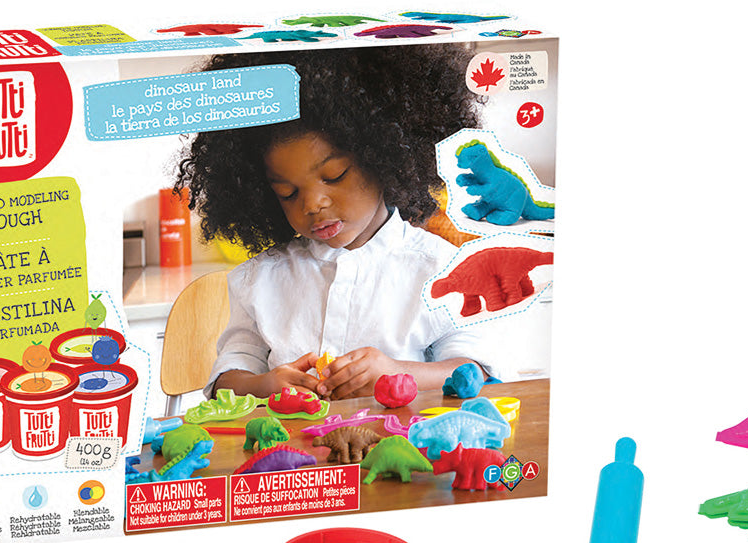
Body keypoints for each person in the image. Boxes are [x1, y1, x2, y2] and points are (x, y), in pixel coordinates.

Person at [175, 44, 504, 400]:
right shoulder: (259, 279)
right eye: (288, 193)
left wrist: (397, 373)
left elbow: (477, 371)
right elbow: (227, 379)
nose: (312, 204)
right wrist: (263, 385)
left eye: (334, 176)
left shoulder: (444, 268)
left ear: (385, 158)